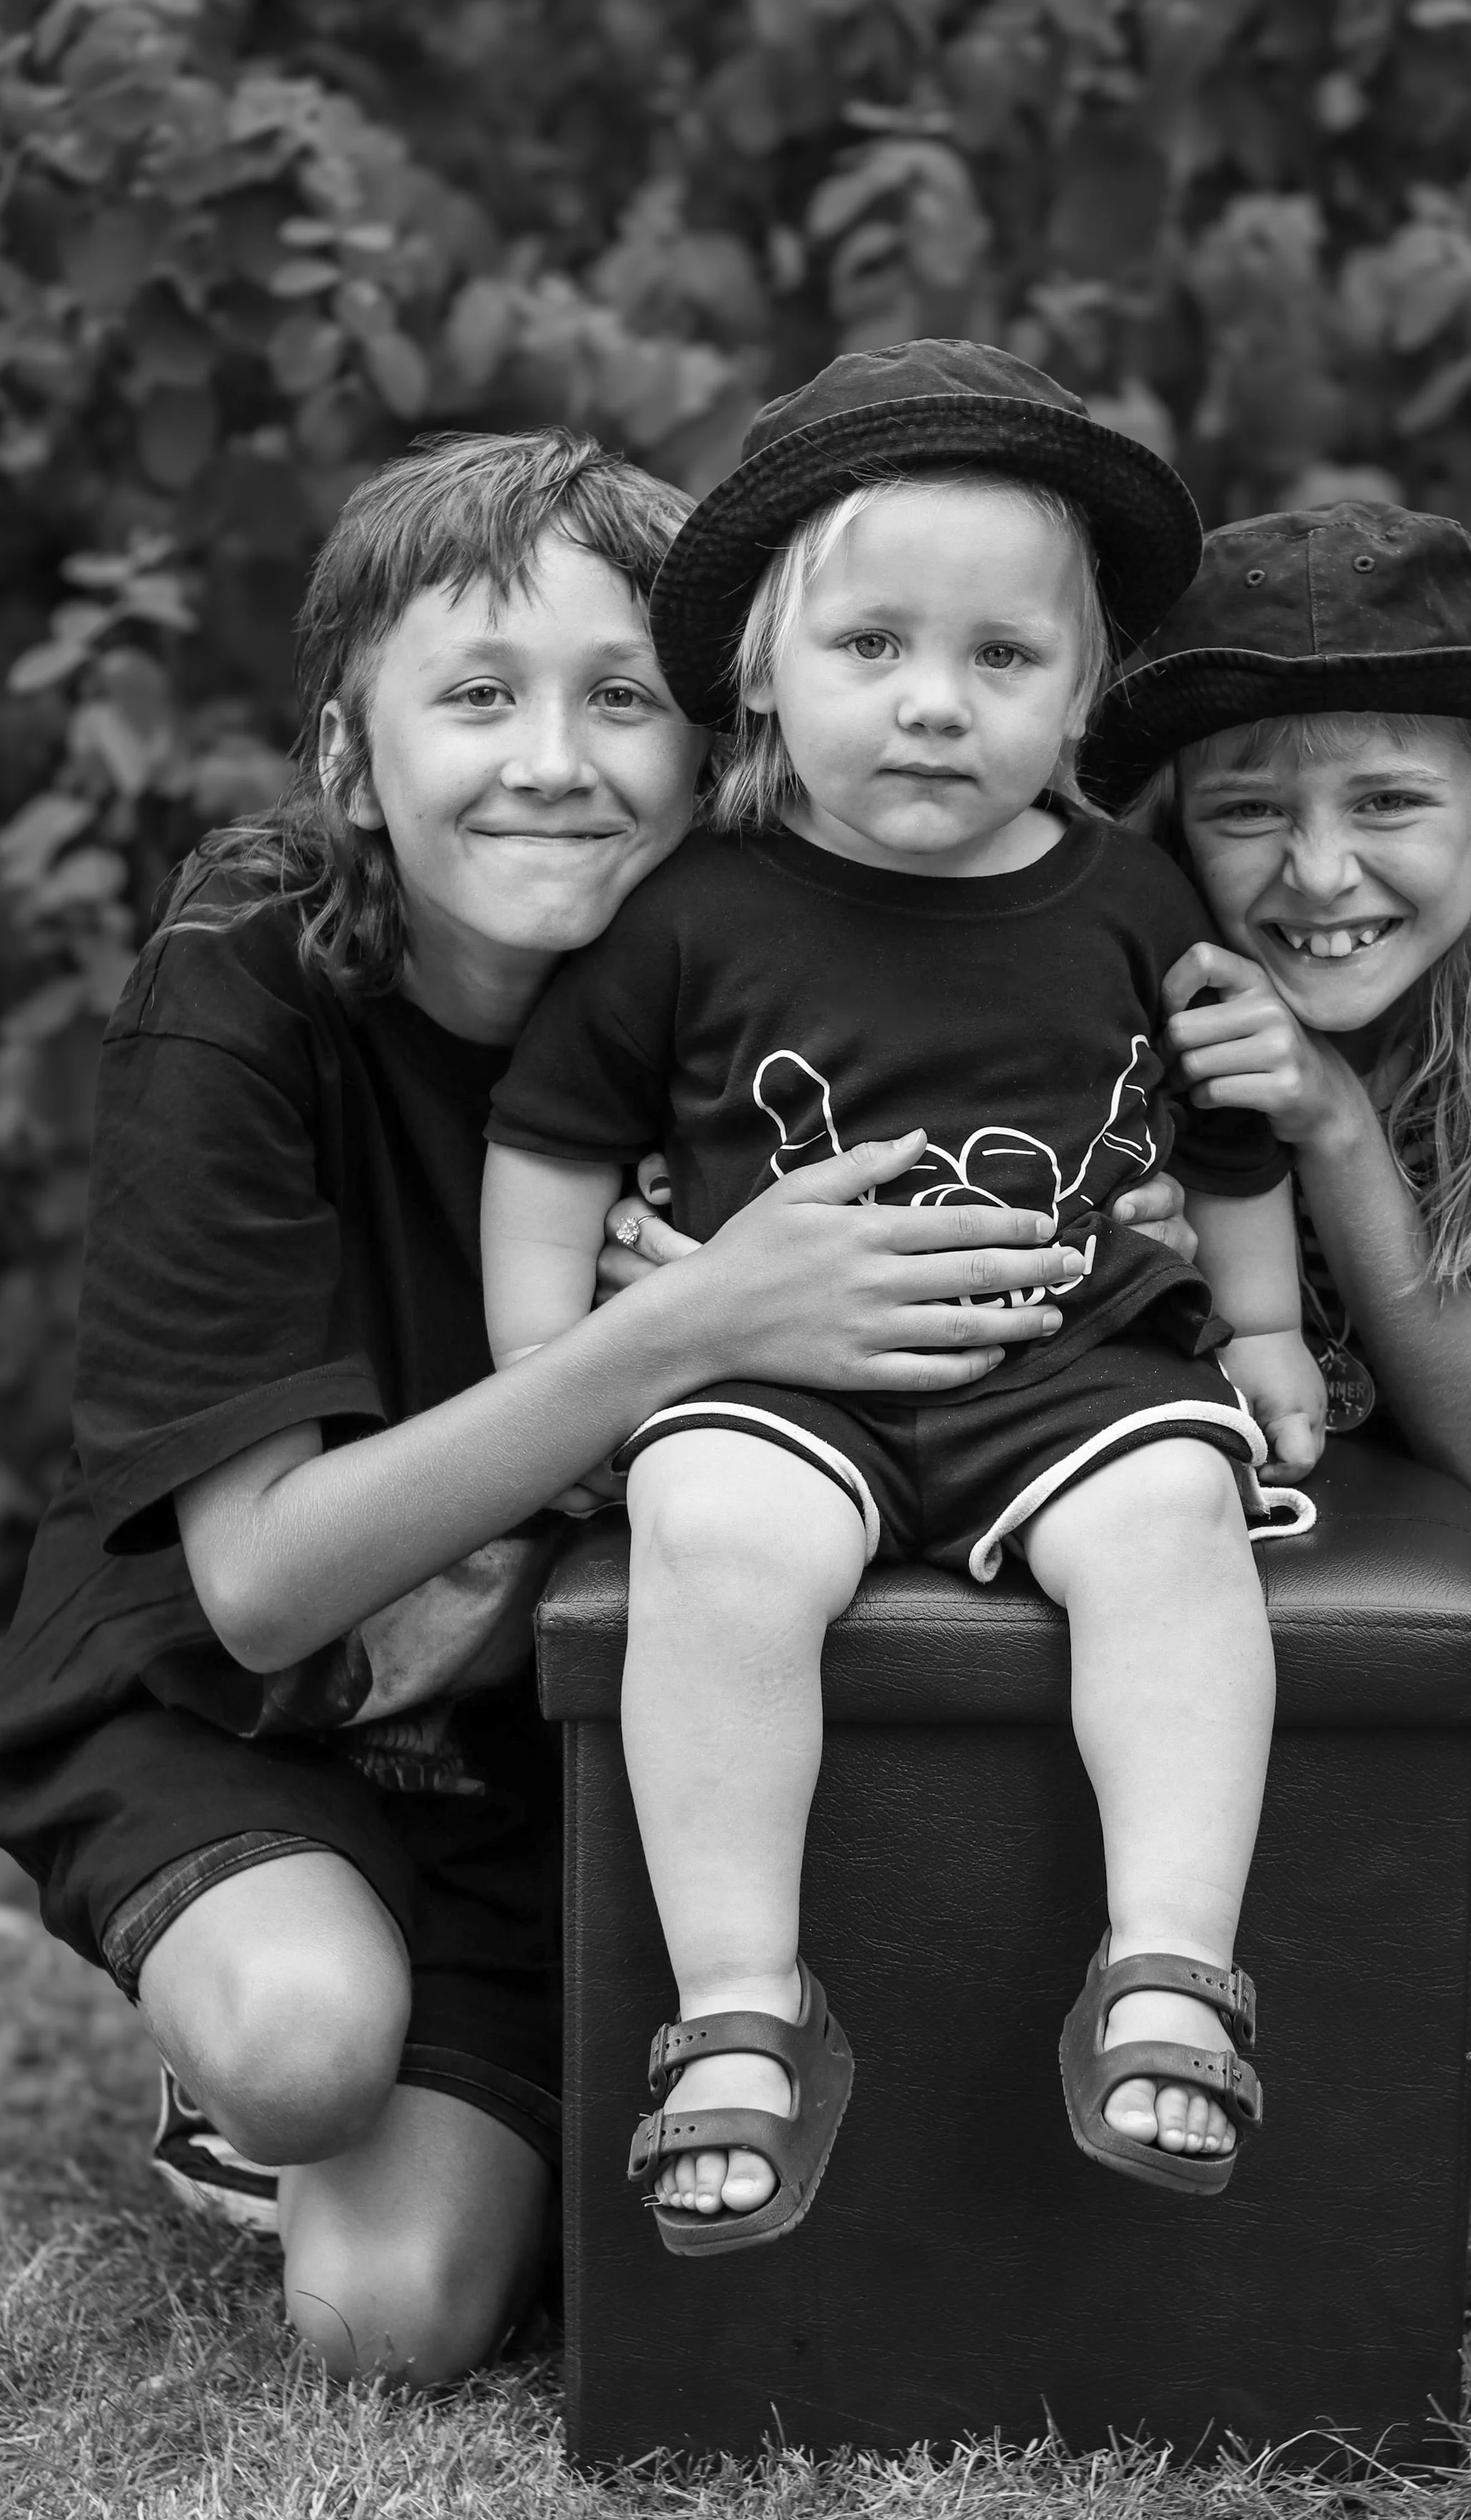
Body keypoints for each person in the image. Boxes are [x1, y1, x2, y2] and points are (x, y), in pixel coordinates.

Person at [0, 426, 1111, 2382]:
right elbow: (260, 1586)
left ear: (715, 736)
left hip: (532, 1745)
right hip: (242, 1696)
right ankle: (257, 2016)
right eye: (474, 696)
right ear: (352, 751)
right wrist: (673, 1330)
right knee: (304, 2042)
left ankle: (509, 2045)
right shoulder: (246, 990)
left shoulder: (807, 948)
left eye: (620, 698)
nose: (551, 759)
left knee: (393, 2314)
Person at [481, 340, 1325, 2256]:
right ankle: (741, 2009)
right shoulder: (692, 909)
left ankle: (1170, 1968)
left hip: (1073, 1366)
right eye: (872, 648)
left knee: (1178, 1522)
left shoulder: (1128, 900)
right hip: (784, 1376)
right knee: (710, 1528)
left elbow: (1222, 1134)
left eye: (999, 660)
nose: (934, 706)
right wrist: (550, 1362)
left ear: (1078, 690)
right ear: (764, 671)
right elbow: (547, 1134)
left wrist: (1262, 1331)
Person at [1082, 500, 1471, 2220]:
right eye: (1247, 812)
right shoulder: (1113, 977)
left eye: (1384, 801)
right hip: (1234, 1635)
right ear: (1173, 827)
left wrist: (1331, 1126)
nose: (1316, 872)